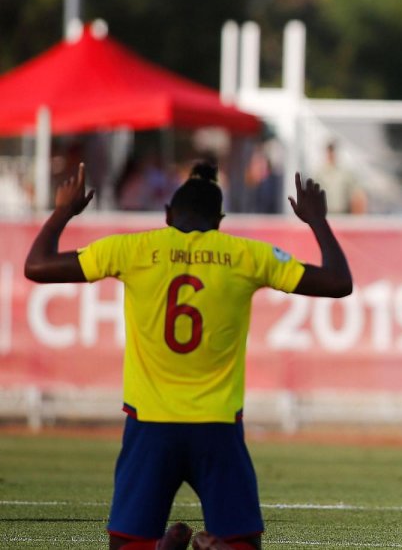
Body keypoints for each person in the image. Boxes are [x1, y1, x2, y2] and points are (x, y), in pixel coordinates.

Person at [24, 162, 353, 550]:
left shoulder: (130, 249)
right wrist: (317, 220)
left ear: (167, 215)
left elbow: (37, 266)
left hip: (150, 424)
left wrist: (64, 210)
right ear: (219, 222)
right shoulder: (247, 255)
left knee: (125, 543)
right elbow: (338, 282)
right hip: (217, 425)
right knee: (244, 542)